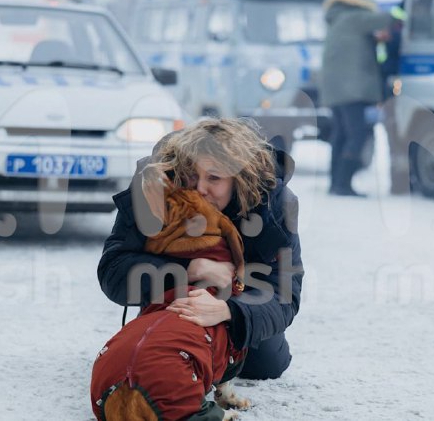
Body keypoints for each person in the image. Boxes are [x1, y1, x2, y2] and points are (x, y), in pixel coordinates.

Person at [97, 118, 303, 380]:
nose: (199, 188)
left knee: (264, 364)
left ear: (239, 179)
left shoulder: (276, 206)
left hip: (242, 301)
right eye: (191, 175)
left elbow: (285, 295)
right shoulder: (155, 185)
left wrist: (228, 311)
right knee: (159, 358)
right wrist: (188, 270)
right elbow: (112, 272)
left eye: (214, 178)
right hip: (172, 297)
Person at [321, 0, 395, 196]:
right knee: (356, 134)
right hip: (349, 91)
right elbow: (387, 18)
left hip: (337, 90)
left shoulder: (339, 18)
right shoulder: (353, 17)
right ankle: (343, 183)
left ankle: (335, 182)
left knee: (341, 134)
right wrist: (402, 11)